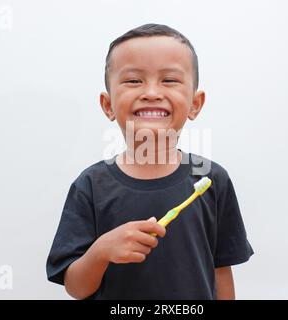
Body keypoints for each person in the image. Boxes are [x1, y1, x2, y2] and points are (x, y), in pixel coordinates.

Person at [46, 23, 254, 300]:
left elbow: (220, 272)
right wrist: (101, 250)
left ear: (195, 104)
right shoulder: (90, 186)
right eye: (133, 80)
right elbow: (76, 287)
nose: (152, 92)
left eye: (169, 80)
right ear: (108, 105)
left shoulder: (212, 179)